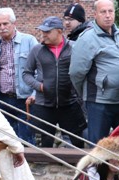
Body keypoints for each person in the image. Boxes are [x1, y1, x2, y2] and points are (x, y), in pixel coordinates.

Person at [69, 0, 119, 144]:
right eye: (103, 12)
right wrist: (88, 93)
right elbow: (76, 73)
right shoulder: (87, 38)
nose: (107, 15)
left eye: (110, 11)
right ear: (95, 14)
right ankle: (94, 168)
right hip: (100, 103)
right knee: (99, 149)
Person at [22, 16, 86, 148]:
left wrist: (77, 91)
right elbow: (26, 74)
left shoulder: (75, 48)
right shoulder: (37, 50)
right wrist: (39, 86)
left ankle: (78, 168)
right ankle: (44, 169)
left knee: (77, 142)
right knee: (45, 144)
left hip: (70, 104)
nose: (43, 35)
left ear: (59, 31)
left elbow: (84, 71)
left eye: (47, 32)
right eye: (42, 31)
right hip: (44, 105)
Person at [0, 7, 38, 145]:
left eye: (5, 23)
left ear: (14, 23)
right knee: (5, 140)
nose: (2, 27)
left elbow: (41, 70)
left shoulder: (29, 41)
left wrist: (34, 93)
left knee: (26, 141)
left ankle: (28, 165)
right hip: (2, 99)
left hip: (25, 100)